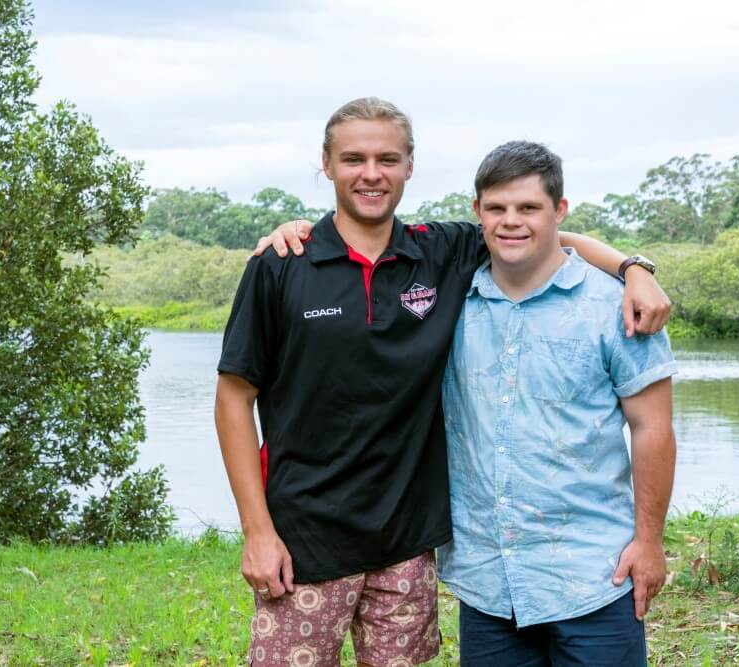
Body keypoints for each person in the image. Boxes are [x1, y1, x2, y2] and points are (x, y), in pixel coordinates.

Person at [216, 97, 670, 667]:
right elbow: (234, 400)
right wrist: (257, 531)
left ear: (410, 166)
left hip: (407, 548)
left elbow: (544, 235)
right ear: (326, 165)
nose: (371, 173)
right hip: (303, 542)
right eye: (353, 158)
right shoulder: (282, 264)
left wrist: (634, 269)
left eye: (388, 158)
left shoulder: (441, 252)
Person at [439, 141, 676, 666]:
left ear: (559, 211)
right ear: (477, 212)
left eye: (529, 208)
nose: (511, 222)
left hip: (594, 573)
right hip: (487, 579)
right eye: (497, 208)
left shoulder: (617, 307)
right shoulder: (448, 302)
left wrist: (650, 542)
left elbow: (652, 429)